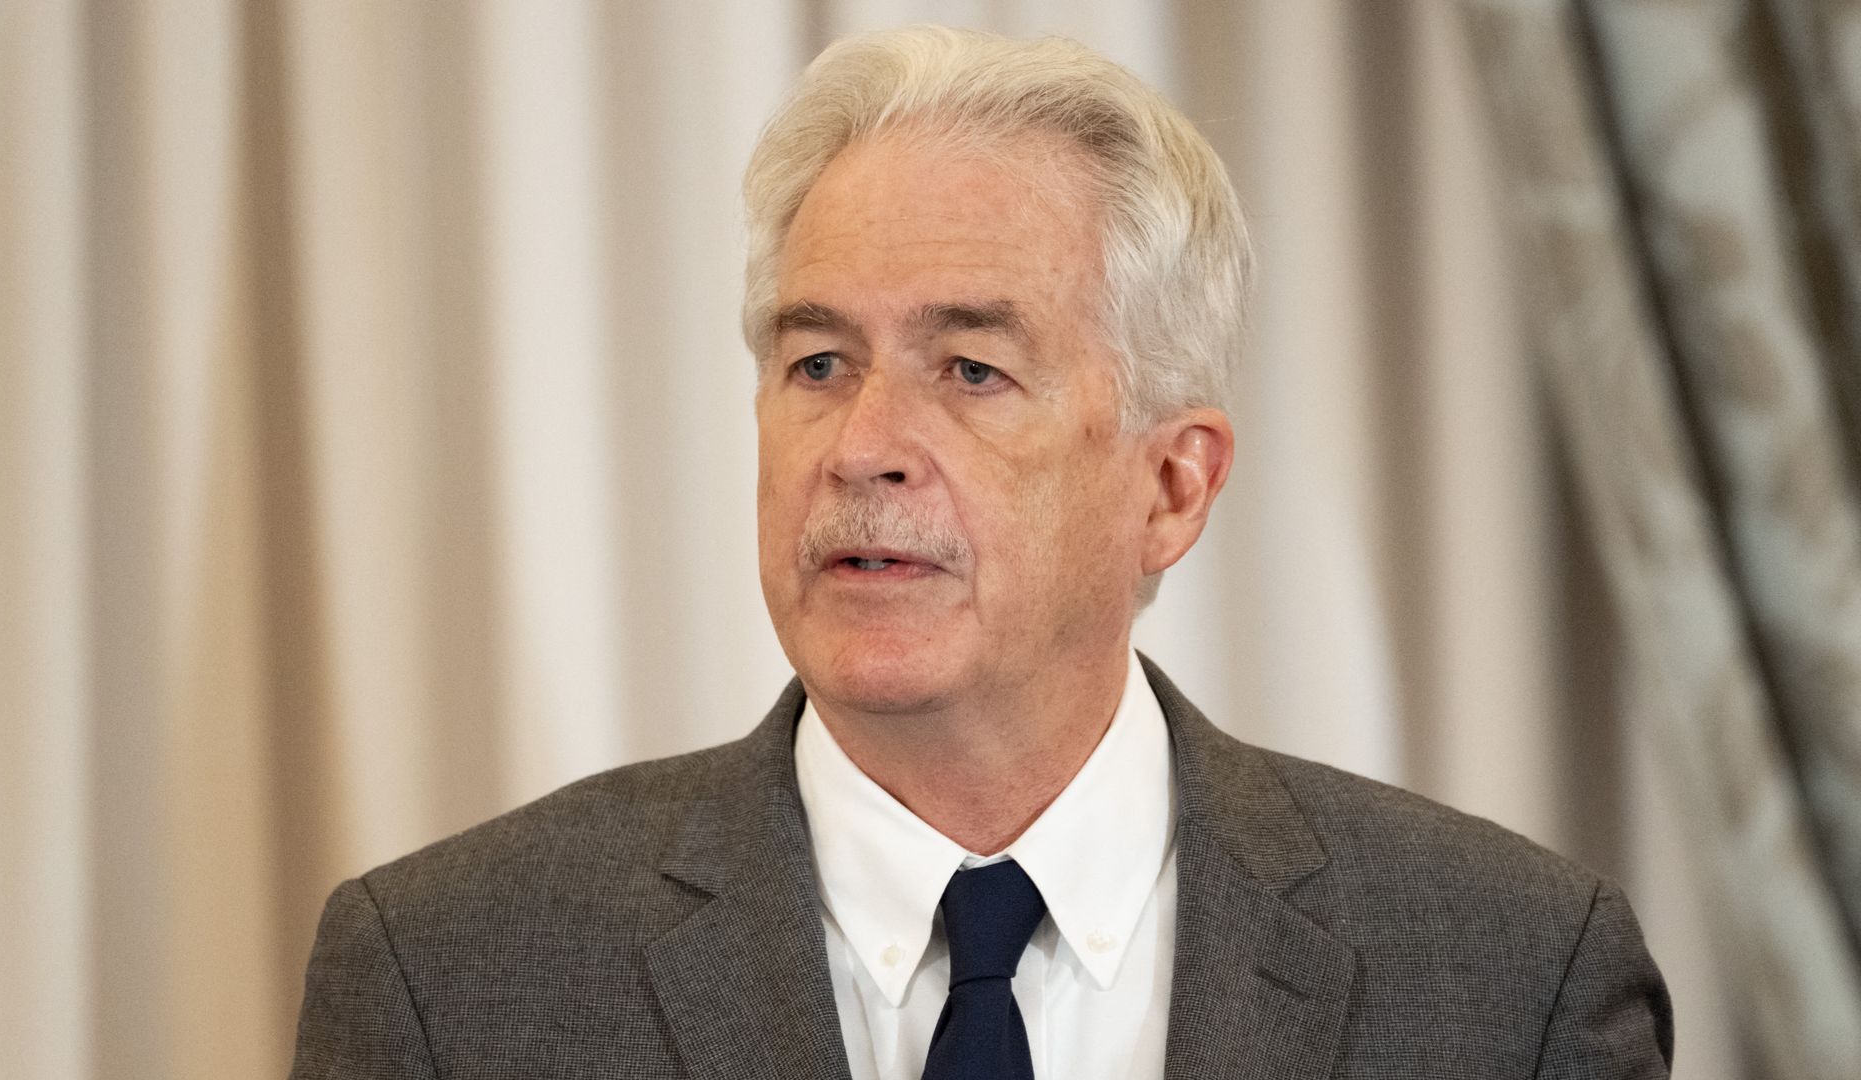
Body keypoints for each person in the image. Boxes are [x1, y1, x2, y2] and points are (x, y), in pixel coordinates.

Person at [290, 25, 1672, 1080]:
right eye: (818, 361)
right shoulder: (456, 982)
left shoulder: (1508, 984)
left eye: (969, 369)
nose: (864, 446)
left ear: (1173, 486)